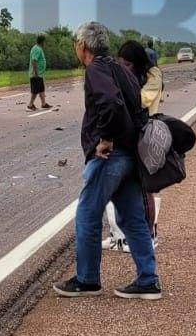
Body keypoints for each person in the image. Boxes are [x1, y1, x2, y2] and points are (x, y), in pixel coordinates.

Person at [53, 22, 161, 300]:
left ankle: (87, 280)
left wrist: (106, 138)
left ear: (82, 46)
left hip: (110, 157)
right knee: (133, 219)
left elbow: (110, 102)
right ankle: (148, 280)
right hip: (131, 155)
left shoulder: (96, 69)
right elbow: (137, 106)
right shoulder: (120, 69)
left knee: (87, 215)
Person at [117, 39, 163, 240]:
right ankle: (123, 235)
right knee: (123, 188)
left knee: (144, 189)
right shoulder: (125, 76)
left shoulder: (153, 75)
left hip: (146, 134)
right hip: (126, 134)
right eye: (121, 64)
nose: (124, 68)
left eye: (127, 64)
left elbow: (142, 101)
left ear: (137, 63)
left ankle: (149, 235)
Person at [27, 34, 51, 111]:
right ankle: (30, 104)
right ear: (42, 42)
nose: (45, 43)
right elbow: (34, 60)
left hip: (39, 74)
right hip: (36, 74)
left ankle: (43, 103)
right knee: (35, 90)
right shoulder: (37, 49)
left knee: (41, 89)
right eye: (45, 42)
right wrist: (36, 73)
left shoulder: (38, 48)